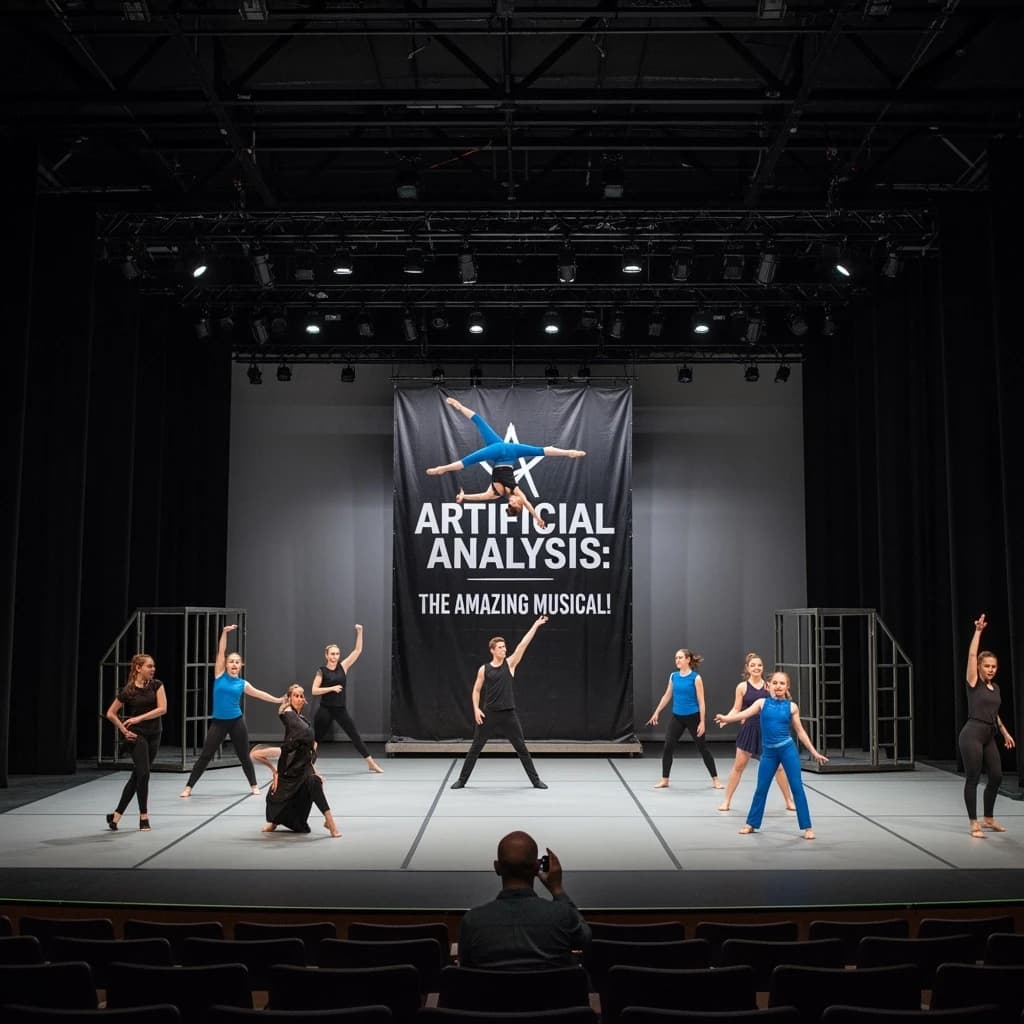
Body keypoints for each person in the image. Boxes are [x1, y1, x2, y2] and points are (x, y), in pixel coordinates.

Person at [426, 396, 586, 529]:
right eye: (518, 503)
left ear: (512, 505)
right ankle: (568, 453)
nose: (517, 501)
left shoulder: (496, 494)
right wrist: (536, 517)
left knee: (472, 452)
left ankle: (443, 468)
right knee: (539, 451)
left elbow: (481, 497)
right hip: (510, 452)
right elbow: (529, 504)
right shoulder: (517, 492)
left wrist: (464, 496)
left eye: (515, 503)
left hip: (498, 453)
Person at [715, 670, 828, 840]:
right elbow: (742, 714)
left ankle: (807, 827)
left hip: (787, 750)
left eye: (782, 683)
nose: (778, 686)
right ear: (768, 686)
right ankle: (751, 823)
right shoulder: (761, 703)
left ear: (787, 687)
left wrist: (813, 751)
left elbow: (800, 732)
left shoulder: (792, 707)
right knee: (761, 789)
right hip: (769, 753)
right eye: (775, 683)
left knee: (797, 788)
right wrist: (726, 718)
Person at [457, 830, 590, 969]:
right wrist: (557, 890)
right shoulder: (562, 916)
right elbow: (585, 939)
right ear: (537, 867)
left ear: (497, 868)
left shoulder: (473, 921)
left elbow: (466, 968)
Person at [179, 624, 284, 798]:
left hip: (236, 721)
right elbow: (221, 651)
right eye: (231, 661)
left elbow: (259, 694)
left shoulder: (242, 684)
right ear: (226, 664)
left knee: (244, 755)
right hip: (219, 722)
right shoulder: (219, 675)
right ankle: (188, 787)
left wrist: (278, 700)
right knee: (206, 755)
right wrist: (224, 633)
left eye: (237, 662)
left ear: (240, 665)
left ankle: (254, 784)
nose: (234, 664)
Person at [450, 615, 550, 790]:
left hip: (508, 714)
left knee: (522, 748)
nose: (505, 649)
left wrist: (535, 625)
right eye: (501, 647)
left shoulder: (510, 664)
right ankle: (462, 780)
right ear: (493, 650)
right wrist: (475, 709)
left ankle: (536, 781)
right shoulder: (484, 669)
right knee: (475, 748)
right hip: (489, 715)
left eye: (505, 647)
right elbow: (476, 691)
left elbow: (523, 644)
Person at [251, 684, 342, 838]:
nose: (299, 698)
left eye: (301, 696)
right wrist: (275, 772)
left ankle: (330, 822)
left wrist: (315, 772)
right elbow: (254, 754)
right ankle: (275, 822)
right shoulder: (288, 719)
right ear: (290, 698)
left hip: (303, 778)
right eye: (296, 695)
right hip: (287, 781)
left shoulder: (305, 723)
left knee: (314, 782)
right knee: (275, 808)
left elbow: (310, 754)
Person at [717, 652, 796, 813]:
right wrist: (727, 718)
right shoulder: (742, 687)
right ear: (747, 668)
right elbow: (736, 708)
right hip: (749, 730)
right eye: (753, 665)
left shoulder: (769, 686)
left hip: (768, 731)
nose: (756, 668)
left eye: (759, 665)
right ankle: (726, 800)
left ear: (762, 667)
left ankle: (789, 800)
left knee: (779, 768)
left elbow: (780, 702)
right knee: (738, 767)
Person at [959, 613, 1015, 838]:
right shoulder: (974, 682)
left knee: (996, 776)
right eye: (987, 666)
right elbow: (972, 654)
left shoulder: (996, 689)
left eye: (994, 666)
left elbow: (995, 713)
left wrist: (1004, 732)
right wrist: (978, 631)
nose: (991, 669)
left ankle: (988, 818)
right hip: (972, 733)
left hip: (989, 734)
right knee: (973, 776)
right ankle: (973, 822)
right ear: (980, 668)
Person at [104, 653, 167, 831]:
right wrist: (124, 730)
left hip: (155, 733)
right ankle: (143, 816)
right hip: (136, 736)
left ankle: (116, 816)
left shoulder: (157, 685)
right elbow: (110, 713)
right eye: (149, 666)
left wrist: (138, 718)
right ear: (138, 668)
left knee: (137, 775)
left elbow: (162, 709)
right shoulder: (129, 691)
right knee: (144, 774)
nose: (153, 669)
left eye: (153, 666)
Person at [311, 624, 383, 774]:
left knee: (354, 735)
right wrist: (331, 688)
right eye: (332, 654)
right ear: (326, 655)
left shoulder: (343, 666)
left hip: (340, 709)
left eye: (337, 654)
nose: (335, 656)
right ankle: (308, 765)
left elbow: (358, 650)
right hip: (325, 709)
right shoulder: (321, 671)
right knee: (316, 740)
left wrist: (360, 632)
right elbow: (314, 690)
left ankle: (371, 763)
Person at [647, 649, 722, 790]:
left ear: (688, 659)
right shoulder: (673, 676)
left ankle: (715, 780)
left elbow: (701, 701)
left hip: (693, 717)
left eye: (680, 657)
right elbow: (667, 696)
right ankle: (665, 779)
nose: (677, 660)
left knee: (702, 748)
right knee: (668, 746)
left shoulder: (696, 678)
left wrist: (702, 722)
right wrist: (656, 712)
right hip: (677, 717)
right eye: (676, 658)